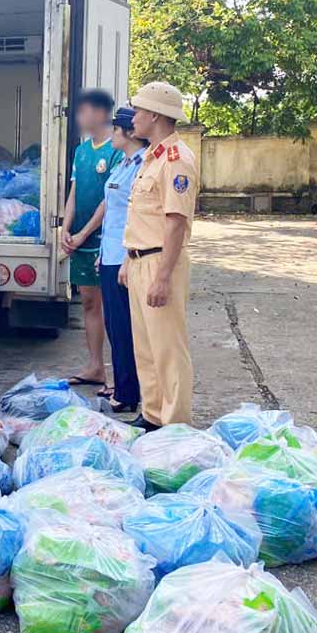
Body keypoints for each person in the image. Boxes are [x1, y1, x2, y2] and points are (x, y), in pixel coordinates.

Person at [120, 82, 200, 431]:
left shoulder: (176, 159)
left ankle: (174, 424)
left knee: (168, 349)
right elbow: (141, 216)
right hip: (140, 259)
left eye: (137, 111)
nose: (132, 118)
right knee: (147, 347)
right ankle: (152, 415)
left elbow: (175, 222)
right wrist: (128, 260)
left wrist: (163, 276)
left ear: (154, 115)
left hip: (160, 261)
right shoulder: (150, 157)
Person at [67, 107, 147, 413]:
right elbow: (113, 211)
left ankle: (127, 393)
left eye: (116, 130)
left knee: (125, 326)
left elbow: (138, 217)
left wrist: (127, 256)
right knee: (115, 323)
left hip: (125, 255)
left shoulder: (142, 165)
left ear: (128, 134)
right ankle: (123, 383)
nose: (111, 134)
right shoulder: (125, 165)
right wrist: (103, 254)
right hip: (110, 254)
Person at [61, 88, 120, 387]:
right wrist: (65, 227)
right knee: (88, 303)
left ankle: (118, 373)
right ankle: (95, 366)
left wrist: (84, 233)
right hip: (80, 241)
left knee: (112, 306)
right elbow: (74, 192)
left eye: (83, 112)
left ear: (99, 113)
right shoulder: (82, 151)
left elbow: (109, 200)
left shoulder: (117, 149)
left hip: (104, 240)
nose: (79, 119)